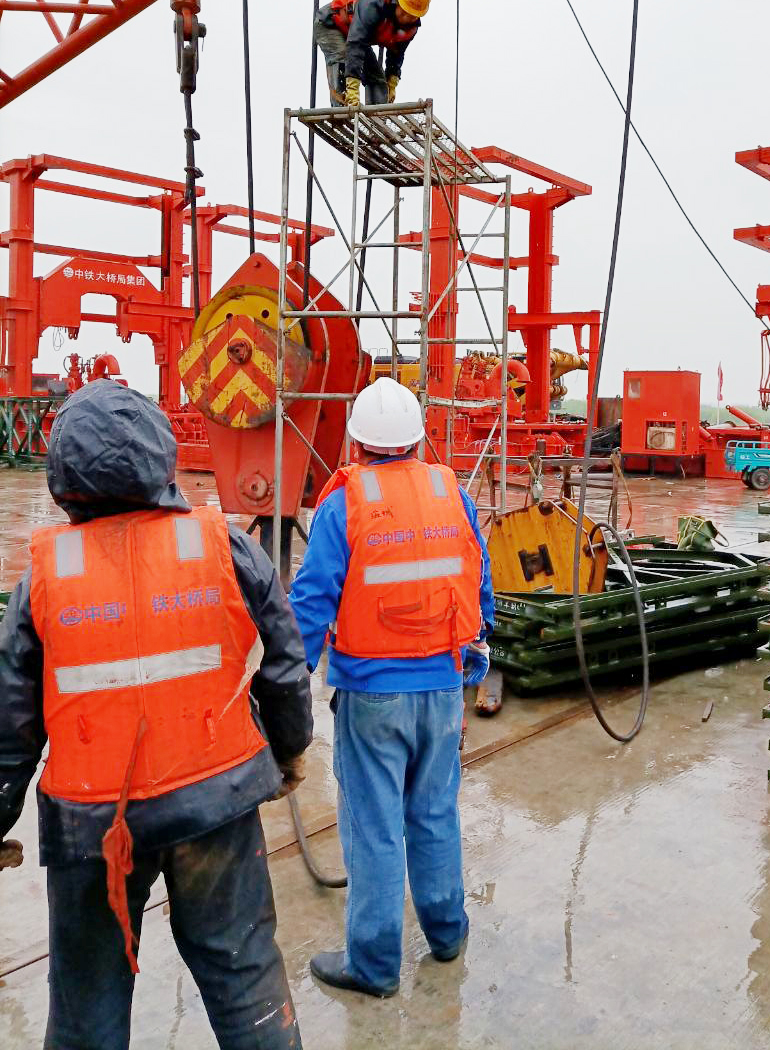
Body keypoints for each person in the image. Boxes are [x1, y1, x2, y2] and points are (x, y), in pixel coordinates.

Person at [0, 380, 313, 1050]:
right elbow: (285, 659)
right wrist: (288, 748)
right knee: (247, 984)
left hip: (94, 827)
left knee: (87, 1010)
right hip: (216, 807)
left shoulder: (45, 579)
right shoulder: (222, 546)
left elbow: (10, 725)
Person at [289, 377, 494, 998]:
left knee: (375, 828)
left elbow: (312, 602)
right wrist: (474, 652)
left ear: (356, 442)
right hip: (443, 687)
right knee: (434, 813)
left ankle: (375, 966)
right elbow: (478, 577)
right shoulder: (452, 493)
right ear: (417, 439)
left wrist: (287, 684)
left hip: (373, 693)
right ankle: (447, 933)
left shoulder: (345, 504)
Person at [314, 0, 431, 108]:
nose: (406, 19)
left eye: (412, 16)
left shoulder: (410, 28)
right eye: (404, 12)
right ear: (397, 2)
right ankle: (342, 109)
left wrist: (392, 82)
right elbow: (356, 44)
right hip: (332, 25)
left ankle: (377, 116)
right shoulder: (373, 3)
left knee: (377, 80)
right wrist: (352, 88)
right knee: (343, 62)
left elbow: (396, 54)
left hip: (355, 35)